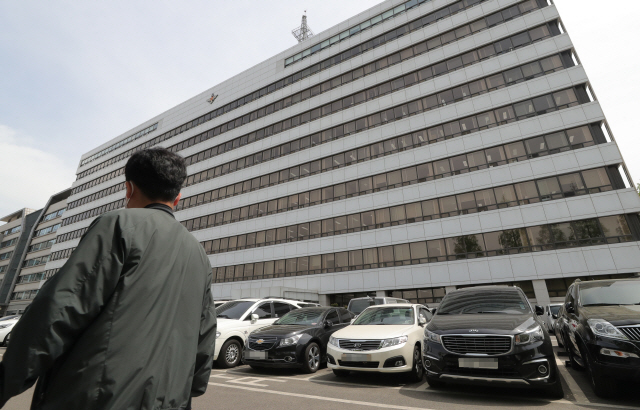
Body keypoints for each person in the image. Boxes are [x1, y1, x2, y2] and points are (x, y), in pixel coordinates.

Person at [0, 148, 216, 410]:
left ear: (129, 188)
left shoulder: (120, 224)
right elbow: (204, 336)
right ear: (178, 196)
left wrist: (6, 382)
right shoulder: (198, 254)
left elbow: (59, 311)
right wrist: (186, 388)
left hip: (97, 398)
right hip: (170, 400)